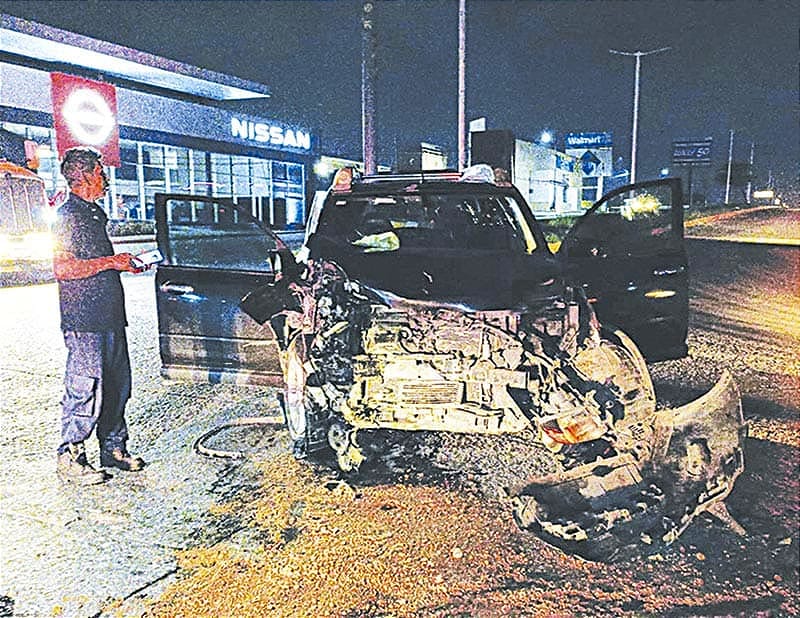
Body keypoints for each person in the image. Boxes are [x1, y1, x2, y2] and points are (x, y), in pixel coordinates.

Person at [52, 147, 149, 485]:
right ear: (85, 177)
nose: (106, 179)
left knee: (117, 386)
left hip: (110, 316)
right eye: (101, 173)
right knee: (86, 388)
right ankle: (71, 455)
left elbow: (94, 264)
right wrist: (111, 262)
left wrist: (124, 264)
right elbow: (63, 268)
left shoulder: (94, 215)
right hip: (84, 320)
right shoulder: (68, 217)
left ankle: (113, 449)